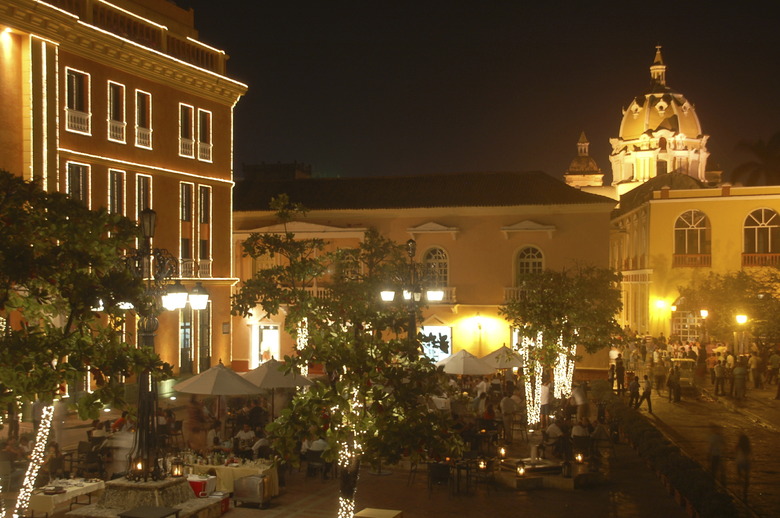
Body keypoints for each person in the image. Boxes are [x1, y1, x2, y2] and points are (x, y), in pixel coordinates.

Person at [735, 434, 751, 501]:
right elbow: (750, 454)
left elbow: (735, 452)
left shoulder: (738, 445)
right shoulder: (748, 446)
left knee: (740, 476)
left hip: (739, 462)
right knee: (746, 477)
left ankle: (739, 489)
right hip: (746, 462)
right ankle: (745, 490)